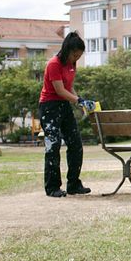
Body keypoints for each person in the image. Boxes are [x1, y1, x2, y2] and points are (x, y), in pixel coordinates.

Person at [38, 31, 93, 198]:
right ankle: (52, 186)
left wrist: (79, 100)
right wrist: (79, 101)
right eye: (75, 54)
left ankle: (74, 183)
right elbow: (59, 90)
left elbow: (69, 88)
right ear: (67, 50)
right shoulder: (54, 64)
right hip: (49, 107)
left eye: (79, 56)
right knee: (53, 146)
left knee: (75, 144)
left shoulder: (72, 64)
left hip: (64, 105)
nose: (76, 58)